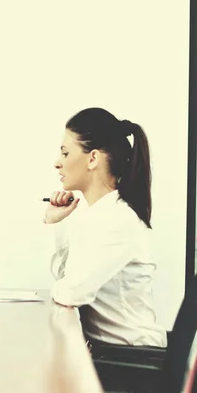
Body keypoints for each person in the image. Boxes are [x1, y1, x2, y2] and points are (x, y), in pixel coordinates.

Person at [45, 107, 167, 347]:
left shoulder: (118, 220)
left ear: (93, 159)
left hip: (132, 361)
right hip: (109, 353)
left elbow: (70, 292)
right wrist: (56, 222)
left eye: (66, 153)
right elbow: (64, 278)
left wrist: (62, 288)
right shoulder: (98, 216)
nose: (57, 163)